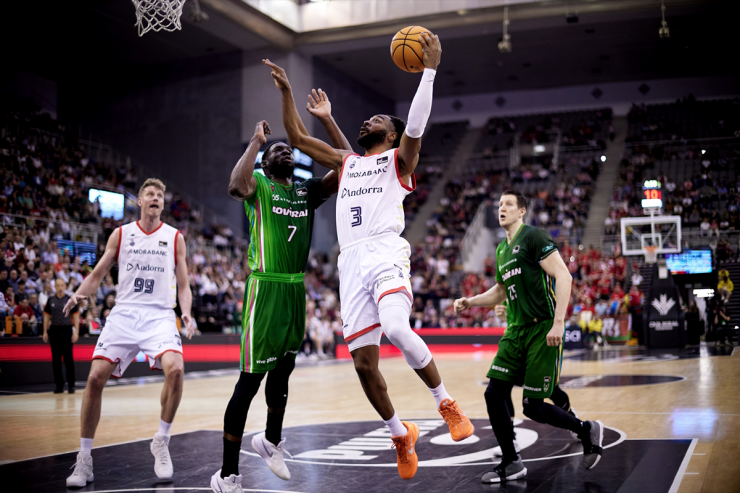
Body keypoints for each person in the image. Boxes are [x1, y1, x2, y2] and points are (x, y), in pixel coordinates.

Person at [263, 31, 474, 483]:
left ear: (391, 134)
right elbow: (297, 137)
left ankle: (445, 402)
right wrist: (287, 91)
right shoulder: (348, 163)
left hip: (385, 252)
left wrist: (430, 70)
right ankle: (400, 433)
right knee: (363, 364)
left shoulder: (399, 161)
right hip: (351, 262)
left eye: (376, 119)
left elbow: (415, 126)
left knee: (396, 328)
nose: (366, 121)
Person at [211, 116, 340, 493]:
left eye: (289, 149)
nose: (285, 151)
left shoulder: (306, 191)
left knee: (283, 372)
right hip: (265, 288)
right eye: (276, 150)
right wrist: (255, 142)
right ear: (265, 164)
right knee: (249, 382)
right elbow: (235, 186)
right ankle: (228, 474)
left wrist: (324, 125)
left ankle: (270, 441)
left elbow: (347, 167)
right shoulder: (258, 184)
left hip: (295, 290)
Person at [453, 190, 603, 483]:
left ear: (522, 211)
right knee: (494, 393)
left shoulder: (534, 237)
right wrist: (471, 301)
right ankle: (511, 461)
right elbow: (499, 291)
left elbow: (564, 276)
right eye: (500, 204)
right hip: (515, 331)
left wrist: (558, 323)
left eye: (508, 204)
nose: (502, 208)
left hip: (541, 328)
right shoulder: (501, 250)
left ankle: (586, 430)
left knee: (532, 406)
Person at [63, 178, 194, 488]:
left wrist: (186, 312)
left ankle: (161, 440)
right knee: (95, 378)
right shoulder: (121, 234)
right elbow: (98, 273)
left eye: (160, 195)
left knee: (176, 370)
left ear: (163, 203)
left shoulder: (175, 238)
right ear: (140, 201)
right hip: (124, 313)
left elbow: (184, 284)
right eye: (150, 194)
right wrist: (80, 293)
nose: (155, 198)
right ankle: (84, 459)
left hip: (159, 314)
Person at [489, 302, 581, 458]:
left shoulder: (535, 290)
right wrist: (504, 315)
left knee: (550, 391)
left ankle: (574, 421)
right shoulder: (506, 292)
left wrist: (558, 322)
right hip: (515, 340)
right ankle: (510, 438)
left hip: (538, 338)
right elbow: (510, 312)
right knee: (501, 387)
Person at [43, 278, 79, 393]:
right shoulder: (51, 300)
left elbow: (76, 316)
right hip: (54, 331)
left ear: (65, 286)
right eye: (58, 285)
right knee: (56, 361)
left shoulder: (70, 299)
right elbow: (46, 316)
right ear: (55, 287)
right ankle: (59, 386)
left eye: (62, 285)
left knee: (69, 360)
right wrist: (44, 332)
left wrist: (76, 332)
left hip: (67, 331)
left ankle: (71, 385)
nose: (60, 287)